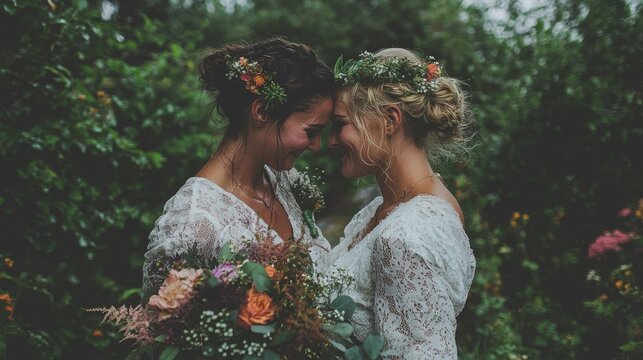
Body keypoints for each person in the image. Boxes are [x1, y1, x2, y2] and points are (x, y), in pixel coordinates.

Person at [142, 38, 335, 298]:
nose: (316, 146)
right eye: (311, 131)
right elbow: (161, 327)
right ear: (262, 111)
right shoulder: (192, 223)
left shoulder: (287, 181)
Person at [327, 49, 476, 359]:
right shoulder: (382, 209)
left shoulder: (408, 235)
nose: (331, 141)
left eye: (341, 124)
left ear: (390, 120)